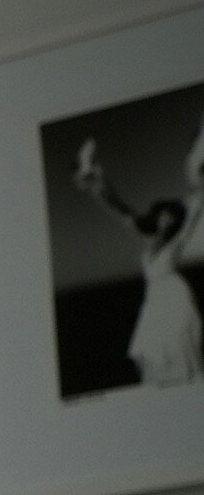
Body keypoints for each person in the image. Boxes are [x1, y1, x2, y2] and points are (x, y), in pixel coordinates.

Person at [73, 118, 204, 387]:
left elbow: (195, 206)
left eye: (172, 217)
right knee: (151, 357)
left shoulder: (177, 240)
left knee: (178, 352)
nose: (167, 220)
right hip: (154, 302)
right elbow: (120, 210)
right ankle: (90, 172)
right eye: (164, 216)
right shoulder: (149, 239)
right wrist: (97, 182)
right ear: (157, 217)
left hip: (174, 298)